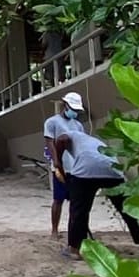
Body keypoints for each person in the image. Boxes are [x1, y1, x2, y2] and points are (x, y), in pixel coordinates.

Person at [55, 122, 139, 258]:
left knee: (79, 211)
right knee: (127, 208)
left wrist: (58, 161)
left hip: (86, 170)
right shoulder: (91, 141)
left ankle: (74, 249)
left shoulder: (71, 134)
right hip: (112, 170)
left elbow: (62, 139)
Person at [43, 90, 87, 241]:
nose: (75, 112)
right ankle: (54, 230)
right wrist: (56, 161)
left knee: (76, 201)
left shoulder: (78, 125)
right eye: (73, 109)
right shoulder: (52, 122)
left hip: (76, 167)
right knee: (58, 198)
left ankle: (75, 230)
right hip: (61, 167)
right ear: (65, 105)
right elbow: (50, 142)